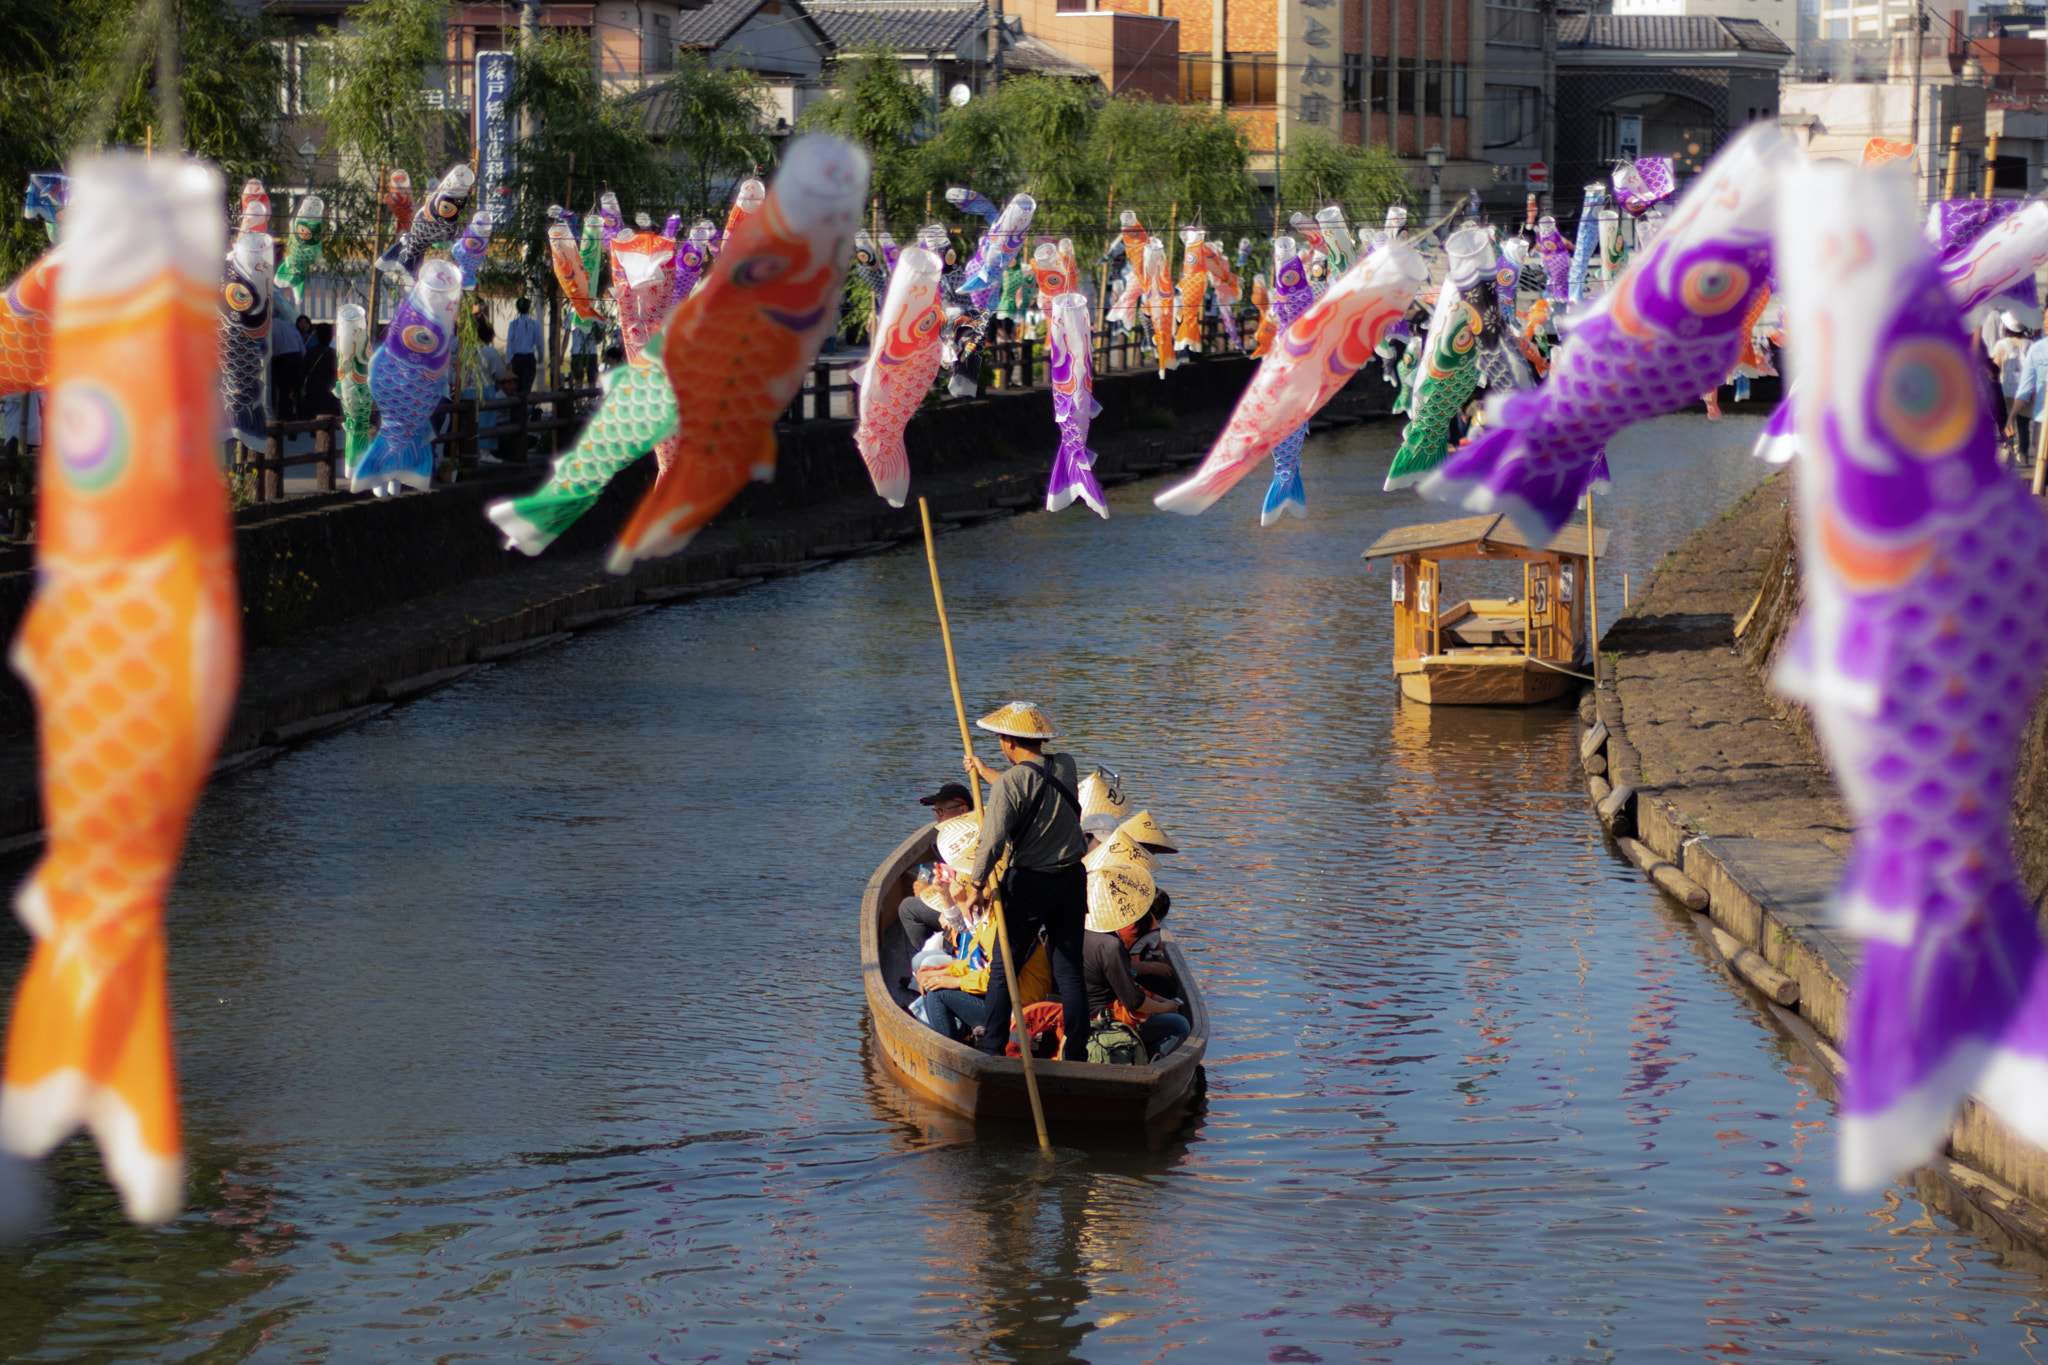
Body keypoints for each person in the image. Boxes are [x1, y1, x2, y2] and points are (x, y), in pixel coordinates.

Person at [961, 700, 1090, 1061]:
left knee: (1004, 968)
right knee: (1069, 970)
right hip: (1070, 880)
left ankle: (992, 1051)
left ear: (1008, 740)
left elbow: (991, 841)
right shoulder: (1065, 765)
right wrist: (985, 771)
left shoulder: (1011, 784)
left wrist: (975, 887)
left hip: (1030, 883)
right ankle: (1077, 1054)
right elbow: (1028, 786)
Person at [1082, 858, 1190, 1060]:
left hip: (1078, 1012)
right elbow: (1133, 1001)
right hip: (1103, 1018)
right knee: (1180, 1024)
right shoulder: (1110, 945)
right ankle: (1146, 1061)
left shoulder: (1071, 932)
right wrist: (1165, 1007)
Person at [270, 288, 305, 422]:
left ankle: (284, 416)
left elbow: (271, 346)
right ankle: (298, 414)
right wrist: (303, 358)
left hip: (282, 359)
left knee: (284, 389)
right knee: (296, 388)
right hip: (296, 356)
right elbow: (299, 342)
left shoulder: (270, 326)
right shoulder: (288, 324)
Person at [506, 297, 542, 395]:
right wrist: (541, 357)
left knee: (518, 387)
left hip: (517, 358)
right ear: (529, 308)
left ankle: (518, 409)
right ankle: (525, 408)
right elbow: (539, 342)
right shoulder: (534, 324)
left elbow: (510, 342)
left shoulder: (513, 324)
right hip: (529, 358)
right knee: (527, 387)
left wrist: (508, 359)